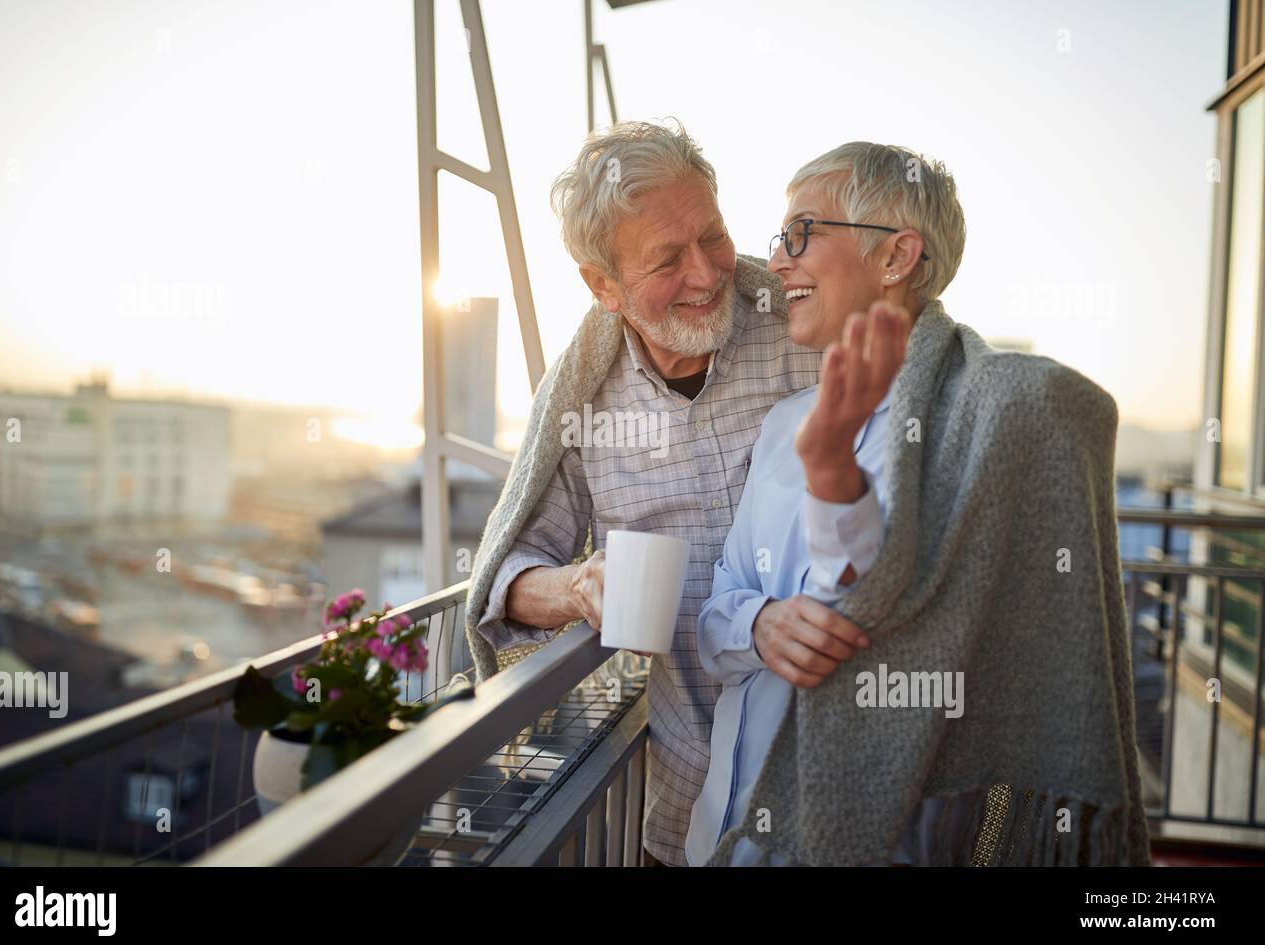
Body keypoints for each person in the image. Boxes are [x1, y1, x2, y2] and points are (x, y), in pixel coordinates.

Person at [689, 142, 1150, 866]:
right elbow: (716, 618)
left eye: (802, 233)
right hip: (730, 830)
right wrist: (759, 623)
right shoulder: (784, 424)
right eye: (781, 238)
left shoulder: (997, 418)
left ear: (896, 257)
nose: (777, 261)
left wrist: (832, 469)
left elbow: (869, 615)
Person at [465, 120, 857, 867]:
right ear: (602, 285)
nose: (708, 273)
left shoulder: (806, 324)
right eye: (667, 259)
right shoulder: (584, 401)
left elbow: (922, 376)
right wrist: (579, 587)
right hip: (691, 795)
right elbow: (506, 574)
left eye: (711, 236)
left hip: (846, 787)